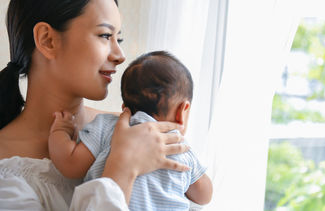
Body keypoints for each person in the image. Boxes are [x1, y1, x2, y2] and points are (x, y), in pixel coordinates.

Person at [0, 0, 190, 210]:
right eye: (104, 35)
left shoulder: (139, 130)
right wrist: (122, 167)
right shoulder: (6, 169)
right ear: (47, 40)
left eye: (118, 39)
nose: (120, 55)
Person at [49, 51, 213, 210]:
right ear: (182, 112)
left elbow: (69, 164)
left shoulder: (107, 128)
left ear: (124, 108)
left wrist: (61, 130)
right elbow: (204, 195)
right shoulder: (179, 146)